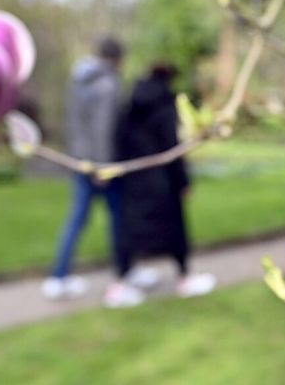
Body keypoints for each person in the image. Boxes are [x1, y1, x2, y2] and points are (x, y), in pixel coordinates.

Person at [110, 64, 216, 305]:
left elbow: (118, 140)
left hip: (134, 179)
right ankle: (185, 276)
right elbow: (173, 148)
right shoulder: (165, 108)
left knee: (130, 231)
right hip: (161, 182)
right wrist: (183, 182)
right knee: (175, 231)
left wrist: (119, 170)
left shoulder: (131, 104)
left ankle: (123, 279)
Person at [41, 37, 125, 301]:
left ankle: (59, 277)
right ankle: (123, 275)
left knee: (77, 220)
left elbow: (77, 124)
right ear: (117, 59)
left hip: (78, 161)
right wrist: (101, 167)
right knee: (118, 220)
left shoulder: (79, 79)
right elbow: (101, 129)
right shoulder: (107, 84)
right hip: (99, 166)